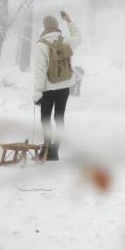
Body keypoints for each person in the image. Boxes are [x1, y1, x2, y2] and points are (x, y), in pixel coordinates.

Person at [32, 11, 81, 161]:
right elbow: (78, 37)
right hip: (64, 88)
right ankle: (55, 151)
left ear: (44, 26)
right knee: (59, 118)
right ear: (57, 25)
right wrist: (69, 21)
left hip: (48, 89)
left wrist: (37, 92)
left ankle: (45, 152)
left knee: (45, 119)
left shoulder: (41, 45)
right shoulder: (65, 41)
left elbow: (40, 70)